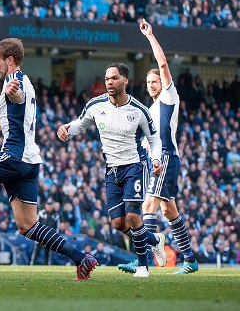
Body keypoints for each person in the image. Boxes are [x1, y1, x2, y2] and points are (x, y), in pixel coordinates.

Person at [0, 37, 97, 280]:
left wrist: (11, 93)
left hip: (13, 157)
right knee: (29, 227)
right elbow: (8, 123)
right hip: (30, 162)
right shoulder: (22, 82)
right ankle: (82, 258)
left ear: (10, 60)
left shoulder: (15, 83)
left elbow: (18, 97)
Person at [57, 62, 166, 278]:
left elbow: (154, 139)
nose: (109, 82)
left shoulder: (139, 110)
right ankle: (154, 240)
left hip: (135, 166)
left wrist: (155, 159)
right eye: (107, 79)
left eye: (114, 78)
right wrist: (68, 128)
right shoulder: (95, 105)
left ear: (125, 80)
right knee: (118, 223)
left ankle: (143, 267)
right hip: (111, 170)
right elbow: (82, 123)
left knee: (134, 217)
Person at [117, 19, 198, 275]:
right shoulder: (150, 109)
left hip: (165, 157)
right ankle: (191, 259)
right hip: (157, 159)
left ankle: (144, 261)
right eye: (149, 82)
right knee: (168, 208)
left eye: (156, 81)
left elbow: (162, 64)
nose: (152, 85)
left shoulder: (168, 96)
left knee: (148, 206)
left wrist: (150, 37)